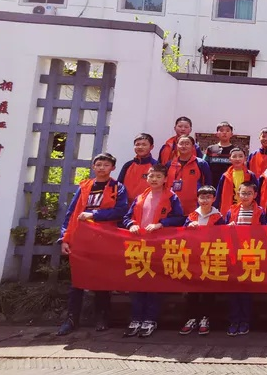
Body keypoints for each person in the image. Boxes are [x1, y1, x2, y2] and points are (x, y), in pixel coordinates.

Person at [56, 153, 129, 336]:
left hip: (105, 238)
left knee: (102, 278)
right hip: (82, 238)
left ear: (113, 168)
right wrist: (64, 238)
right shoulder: (84, 187)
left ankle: (102, 317)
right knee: (77, 279)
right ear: (93, 167)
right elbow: (71, 213)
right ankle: (71, 319)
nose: (102, 168)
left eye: (106, 165)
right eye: (98, 164)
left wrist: (94, 215)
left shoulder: (118, 188)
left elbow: (121, 211)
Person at [122, 164, 185, 338]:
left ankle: (150, 319)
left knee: (154, 283)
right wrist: (131, 224)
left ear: (165, 179)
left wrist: (161, 224)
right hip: (139, 246)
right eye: (151, 176)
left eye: (158, 176)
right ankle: (136, 318)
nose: (154, 179)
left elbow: (179, 218)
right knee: (137, 283)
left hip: (159, 246)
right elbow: (127, 217)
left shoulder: (172, 197)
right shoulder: (140, 197)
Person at [179, 185, 225, 336]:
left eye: (208, 197)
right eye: (202, 197)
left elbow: (223, 236)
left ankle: (205, 318)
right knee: (192, 291)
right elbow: (181, 235)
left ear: (214, 199)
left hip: (211, 258)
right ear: (197, 199)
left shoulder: (219, 217)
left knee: (208, 291)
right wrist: (188, 226)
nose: (205, 200)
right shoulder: (191, 216)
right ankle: (191, 318)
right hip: (194, 259)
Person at [225, 181, 266, 336]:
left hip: (251, 254)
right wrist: (228, 227)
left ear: (255, 195)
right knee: (234, 290)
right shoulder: (231, 210)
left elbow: (265, 232)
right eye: (243, 193)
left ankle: (245, 321)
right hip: (234, 255)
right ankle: (234, 320)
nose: (245, 196)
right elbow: (222, 231)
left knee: (246, 291)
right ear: (237, 194)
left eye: (249, 193)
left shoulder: (260, 211)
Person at [165, 135, 212, 215]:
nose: (184, 146)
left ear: (193, 147)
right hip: (171, 209)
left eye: (187, 144)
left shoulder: (201, 164)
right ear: (177, 146)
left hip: (195, 209)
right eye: (181, 143)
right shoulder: (170, 164)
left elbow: (208, 186)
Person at [214, 147, 257, 212]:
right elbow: (218, 194)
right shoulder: (225, 176)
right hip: (228, 209)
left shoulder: (251, 175)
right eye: (234, 156)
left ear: (245, 158)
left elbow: (256, 193)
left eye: (240, 156)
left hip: (246, 209)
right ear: (230, 159)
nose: (237, 159)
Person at [118, 133, 157, 202]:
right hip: (126, 206)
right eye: (137, 144)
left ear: (151, 147)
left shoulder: (156, 166)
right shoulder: (128, 165)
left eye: (144, 145)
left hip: (147, 205)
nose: (140, 147)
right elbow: (118, 186)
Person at [203, 122, 235, 186]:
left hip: (229, 184)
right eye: (221, 130)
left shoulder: (235, 150)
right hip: (212, 184)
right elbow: (203, 165)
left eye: (227, 131)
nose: (224, 132)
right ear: (217, 134)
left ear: (231, 134)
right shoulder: (210, 149)